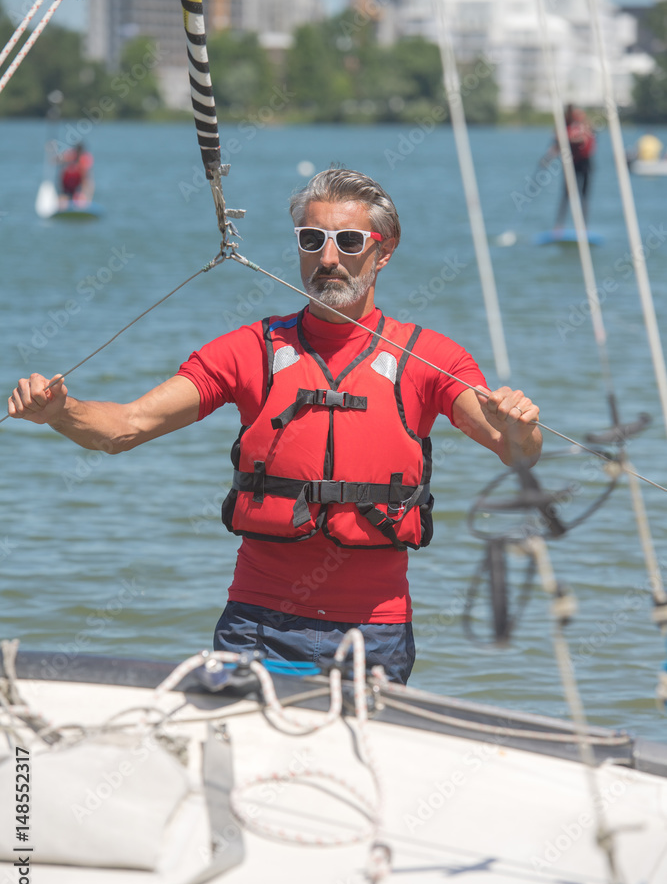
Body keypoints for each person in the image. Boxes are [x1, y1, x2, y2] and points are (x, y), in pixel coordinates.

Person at [7, 167, 541, 684]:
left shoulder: (426, 357)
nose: (328, 259)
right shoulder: (250, 350)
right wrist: (60, 411)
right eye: (312, 239)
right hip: (256, 625)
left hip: (372, 633)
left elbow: (514, 450)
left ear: (385, 249)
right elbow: (125, 427)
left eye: (349, 242)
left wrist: (518, 422)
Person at [543, 104, 596, 231]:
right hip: (571, 164)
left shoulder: (585, 126)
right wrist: (548, 158)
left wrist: (565, 139)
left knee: (584, 195)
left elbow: (581, 140)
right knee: (566, 195)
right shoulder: (565, 128)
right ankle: (559, 226)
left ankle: (584, 227)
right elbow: (557, 146)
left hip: (585, 163)